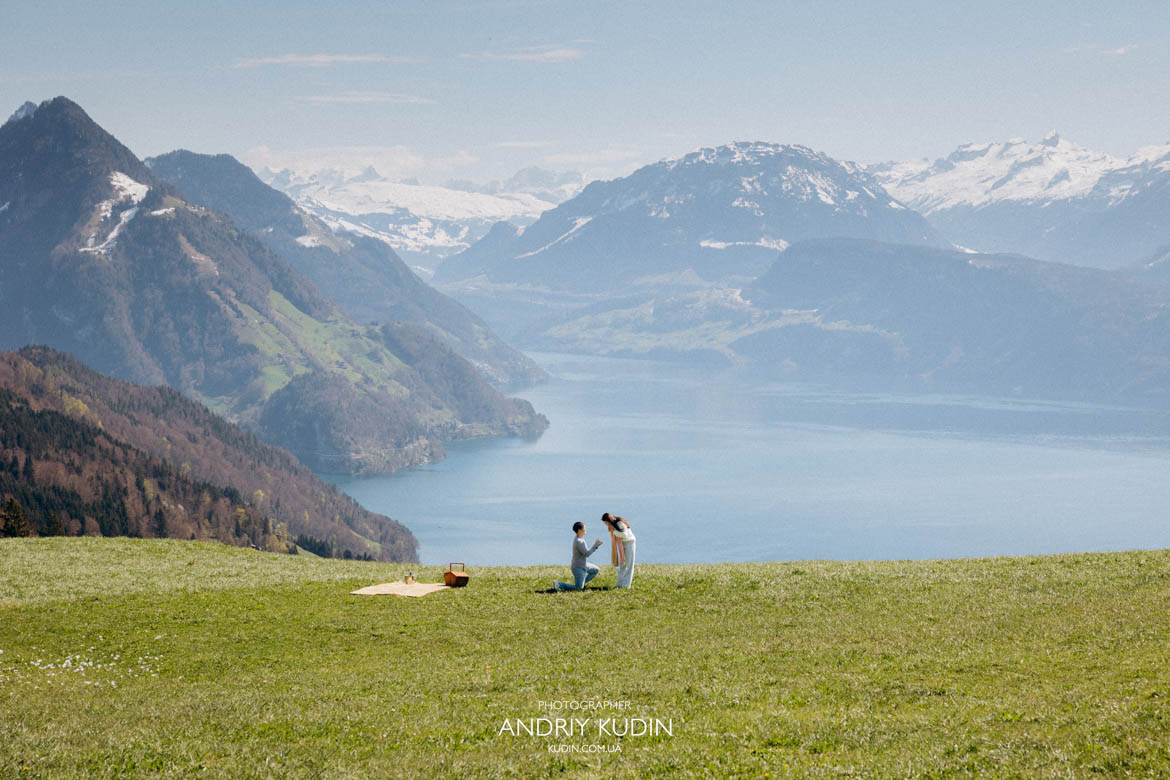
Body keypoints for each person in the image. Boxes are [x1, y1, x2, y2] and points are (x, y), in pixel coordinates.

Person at [553, 521, 603, 591]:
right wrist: (595, 546)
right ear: (579, 530)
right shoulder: (579, 541)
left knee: (596, 570)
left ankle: (582, 582)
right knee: (578, 588)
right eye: (584, 528)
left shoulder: (579, 538)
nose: (585, 529)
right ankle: (559, 584)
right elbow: (587, 554)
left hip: (583, 565)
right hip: (578, 568)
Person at [602, 512, 636, 588]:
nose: (606, 525)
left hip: (629, 542)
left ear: (609, 521)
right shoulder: (611, 526)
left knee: (629, 564)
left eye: (606, 523)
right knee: (621, 564)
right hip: (621, 544)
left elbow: (625, 535)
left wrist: (614, 531)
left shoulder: (619, 523)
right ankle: (619, 584)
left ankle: (626, 585)